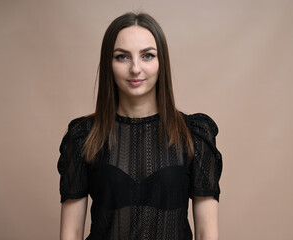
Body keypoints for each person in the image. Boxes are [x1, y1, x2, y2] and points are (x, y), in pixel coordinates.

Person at [57, 12, 222, 240]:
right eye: (122, 57)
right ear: (109, 63)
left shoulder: (194, 135)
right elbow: (71, 234)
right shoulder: (84, 136)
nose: (135, 68)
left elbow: (207, 234)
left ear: (161, 62)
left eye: (147, 56)